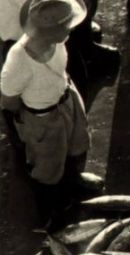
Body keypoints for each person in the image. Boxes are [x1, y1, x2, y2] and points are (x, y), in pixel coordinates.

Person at [1, 0, 103, 220]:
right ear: (48, 31)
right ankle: (49, 208)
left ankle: (72, 180)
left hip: (66, 98)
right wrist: (29, 119)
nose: (71, 29)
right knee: (47, 164)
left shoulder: (57, 41)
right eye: (66, 26)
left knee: (74, 143)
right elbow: (9, 100)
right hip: (43, 116)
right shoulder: (19, 60)